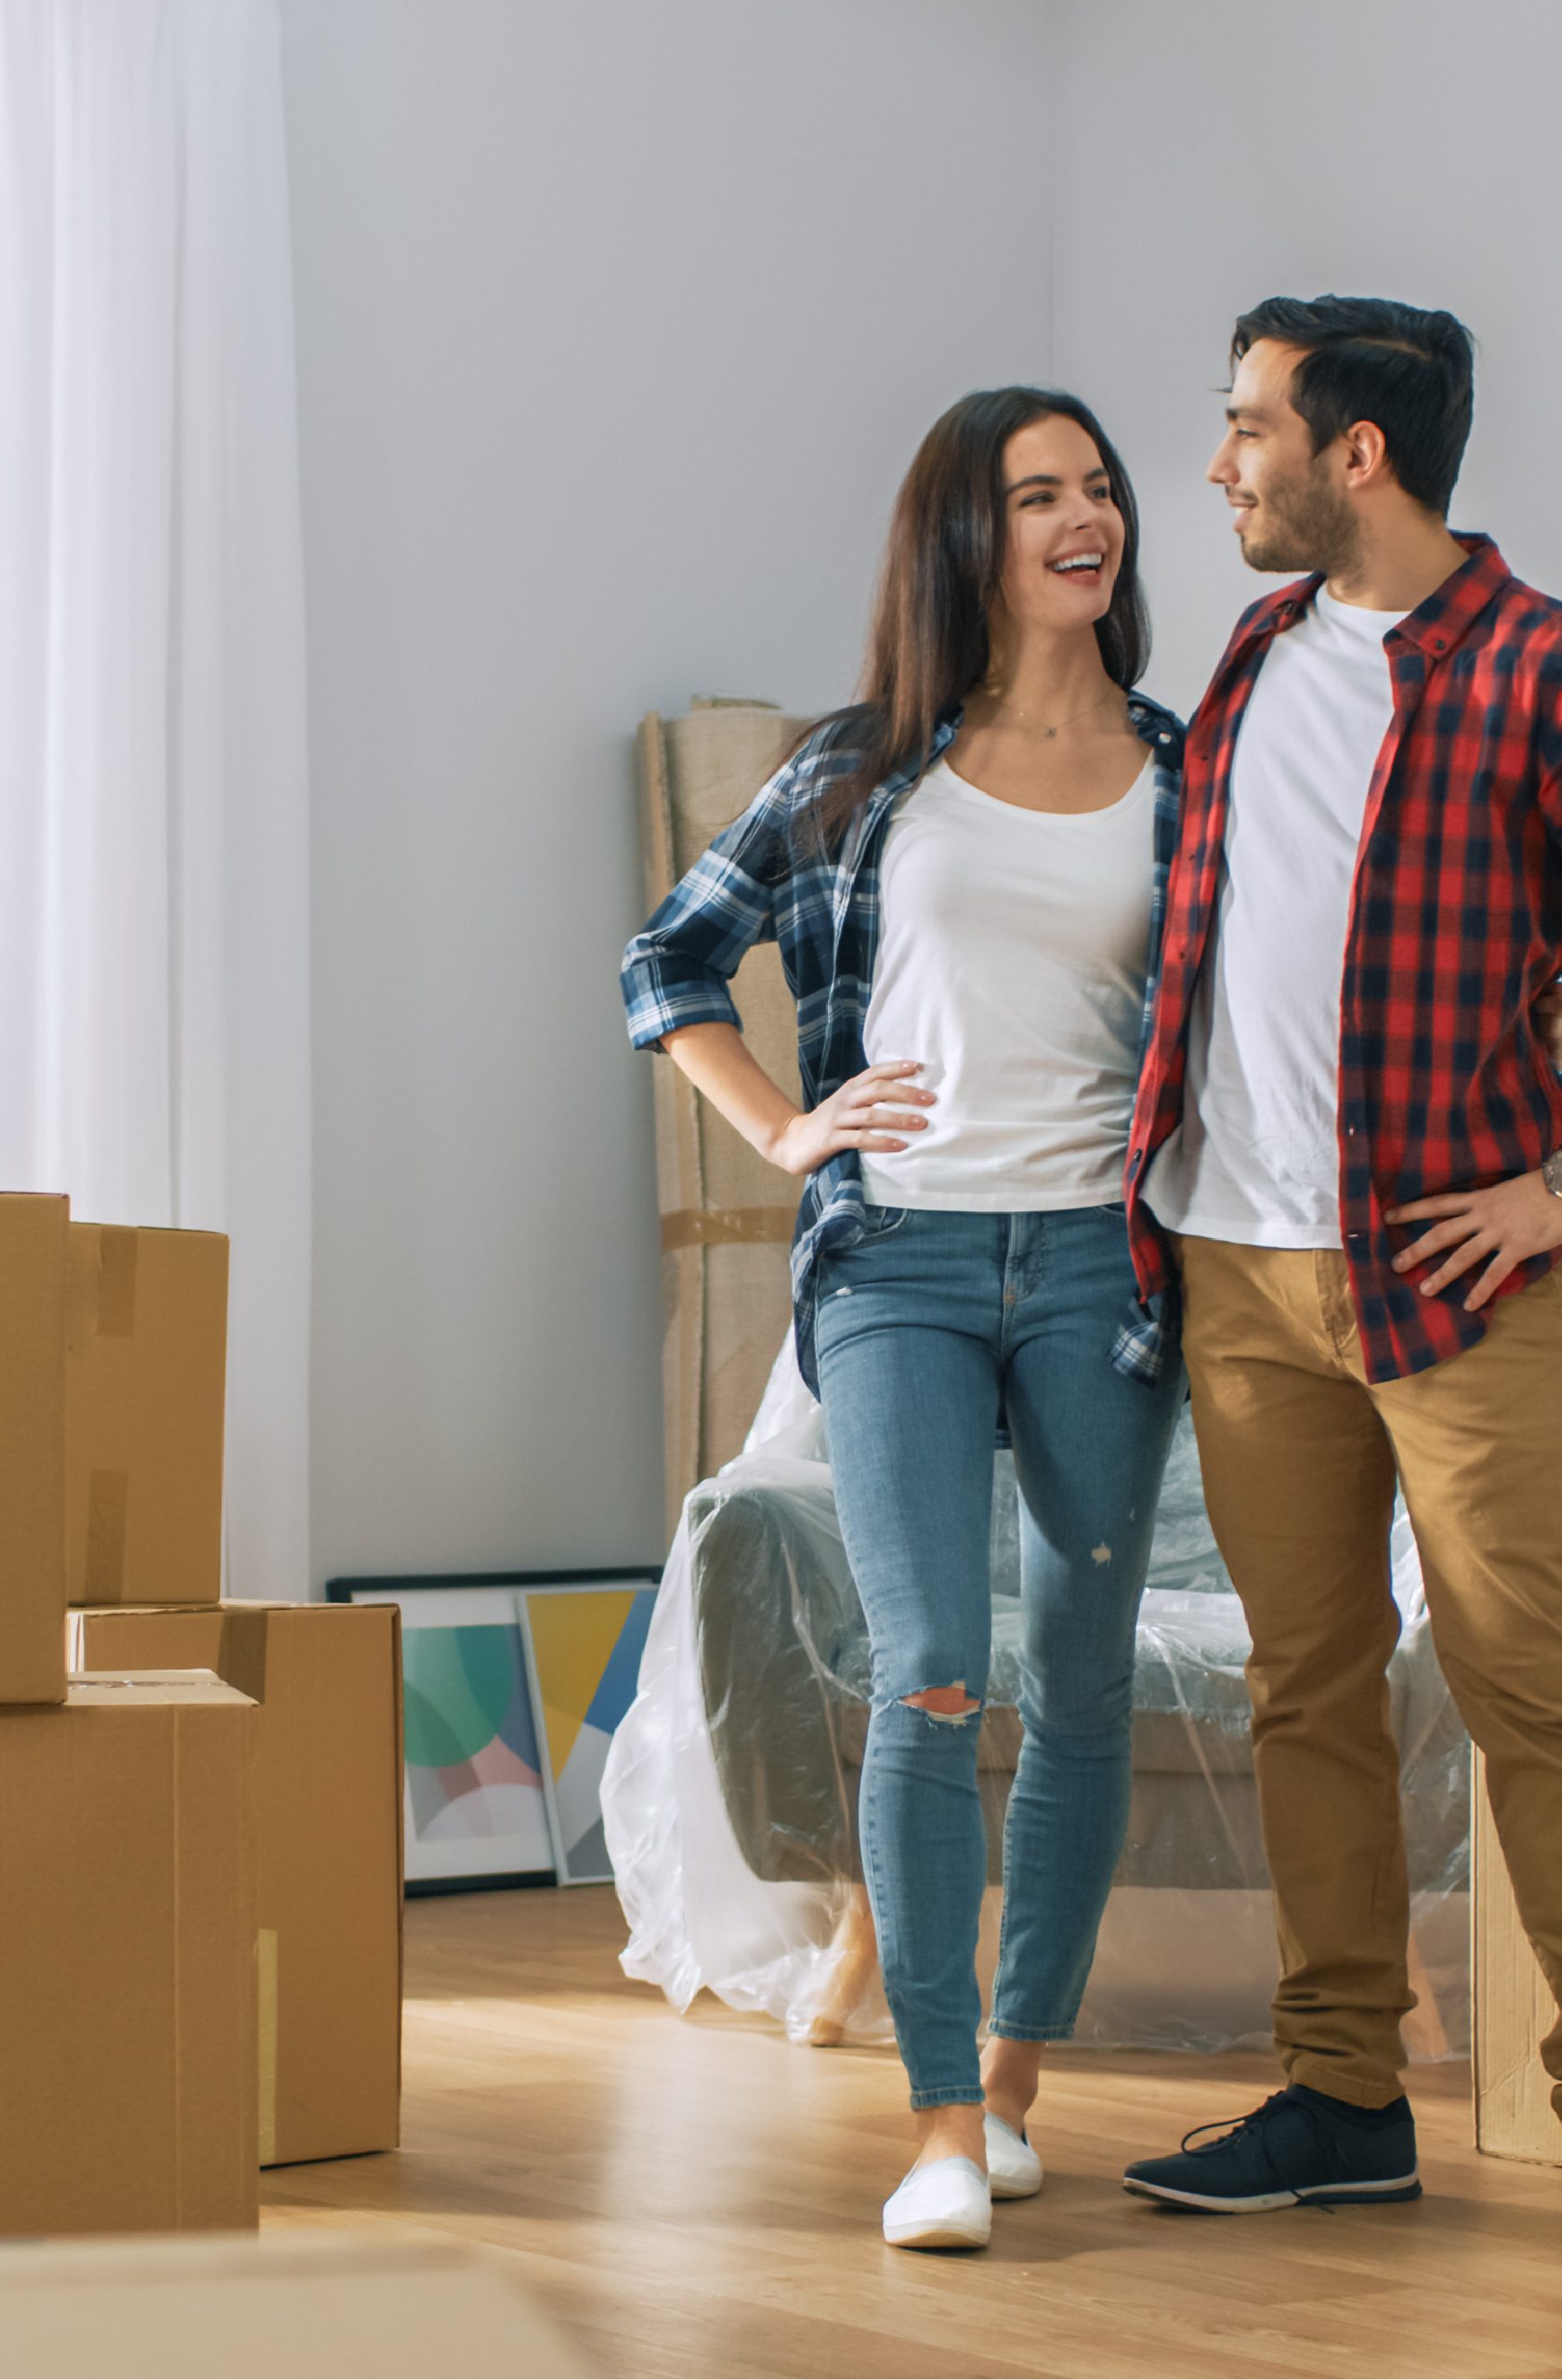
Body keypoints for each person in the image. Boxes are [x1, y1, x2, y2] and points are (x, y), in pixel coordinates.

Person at [1111, 297, 1562, 2270]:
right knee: (1306, 1691)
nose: (1221, 463)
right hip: (1241, 1266)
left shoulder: (1557, 671)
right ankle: (1341, 2092)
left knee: (1529, 1697)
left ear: (1357, 454)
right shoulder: (1249, 661)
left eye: (1247, 426)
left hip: (1444, 1275)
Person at [619, 387, 1189, 2252]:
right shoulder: (868, 764)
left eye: (1096, 486)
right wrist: (788, 1123)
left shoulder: (1190, 764)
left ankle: (1018, 2083)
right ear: (970, 534)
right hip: (903, 1269)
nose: (1081, 516)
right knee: (935, 1659)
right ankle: (937, 2120)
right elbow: (668, 959)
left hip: (1105, 1268)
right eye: (1038, 494)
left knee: (1083, 1684)